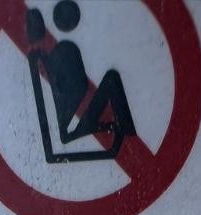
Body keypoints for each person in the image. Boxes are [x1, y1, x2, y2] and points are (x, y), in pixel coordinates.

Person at [25, 1, 135, 157]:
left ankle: (130, 137)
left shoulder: (43, 57)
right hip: (72, 125)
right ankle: (130, 137)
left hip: (72, 119)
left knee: (111, 78)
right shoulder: (53, 55)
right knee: (112, 79)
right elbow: (75, 91)